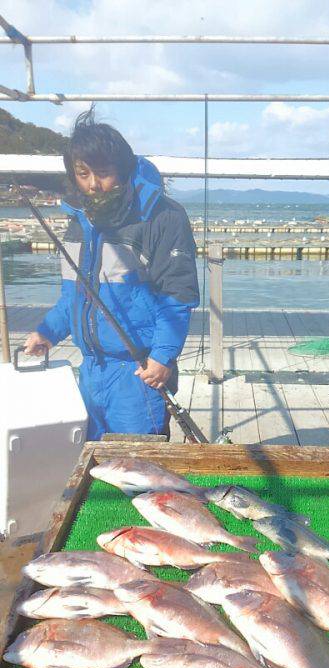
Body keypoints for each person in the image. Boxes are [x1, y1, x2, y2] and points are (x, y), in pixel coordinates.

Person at [24, 108, 199, 440]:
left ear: (123, 168)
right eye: (83, 173)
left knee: (140, 464)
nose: (93, 185)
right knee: (96, 463)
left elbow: (177, 297)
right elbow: (73, 296)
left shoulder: (164, 217)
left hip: (138, 372)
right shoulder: (80, 220)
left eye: (103, 173)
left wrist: (163, 356)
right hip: (91, 368)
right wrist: (48, 332)